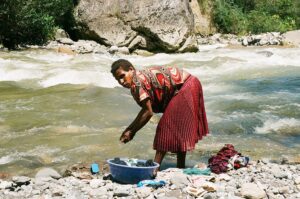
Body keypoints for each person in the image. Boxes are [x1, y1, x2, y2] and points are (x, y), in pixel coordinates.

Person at [111, 59, 209, 169]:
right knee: (178, 130)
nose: (121, 81)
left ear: (131, 70)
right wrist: (130, 130)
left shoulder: (137, 83)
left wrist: (131, 131)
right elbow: (145, 109)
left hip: (186, 85)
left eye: (122, 76)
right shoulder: (137, 81)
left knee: (164, 127)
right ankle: (180, 167)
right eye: (117, 79)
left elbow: (148, 112)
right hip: (190, 83)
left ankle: (154, 169)